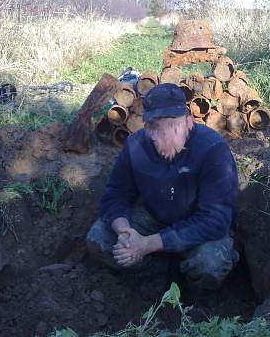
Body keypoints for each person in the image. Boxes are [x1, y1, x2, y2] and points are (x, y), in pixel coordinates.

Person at [86, 83, 239, 289]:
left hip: (197, 223)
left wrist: (147, 244)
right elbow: (115, 195)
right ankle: (151, 271)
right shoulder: (135, 146)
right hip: (153, 216)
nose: (165, 136)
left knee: (209, 264)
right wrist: (126, 233)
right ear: (146, 127)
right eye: (156, 127)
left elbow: (216, 220)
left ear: (188, 122)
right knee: (99, 239)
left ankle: (193, 295)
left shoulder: (213, 150)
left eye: (173, 126)